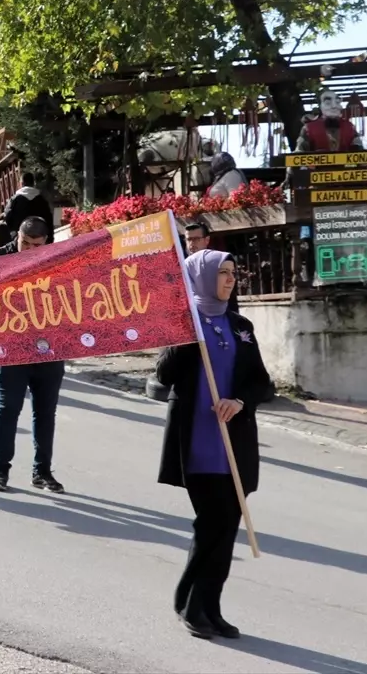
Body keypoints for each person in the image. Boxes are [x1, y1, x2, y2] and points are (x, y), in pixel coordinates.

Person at [155, 250, 270, 640]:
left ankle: (208, 606)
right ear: (202, 278)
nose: (230, 279)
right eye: (222, 273)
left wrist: (240, 401)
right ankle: (193, 607)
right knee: (212, 524)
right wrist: (186, 334)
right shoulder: (184, 322)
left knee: (225, 527)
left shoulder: (241, 325)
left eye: (233, 272)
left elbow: (261, 382)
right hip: (199, 441)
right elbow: (165, 374)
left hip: (233, 442)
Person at [0, 217, 66, 494]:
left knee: (45, 413)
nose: (29, 249)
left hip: (49, 350)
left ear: (46, 243)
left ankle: (42, 471)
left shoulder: (58, 262)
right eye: (24, 243)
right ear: (16, 236)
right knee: (7, 410)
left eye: (36, 245)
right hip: (9, 350)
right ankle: (0, 469)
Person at [3, 173, 54, 243]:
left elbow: (7, 218)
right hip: (40, 239)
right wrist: (50, 238)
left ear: (21, 183)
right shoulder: (42, 200)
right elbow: (49, 219)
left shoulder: (14, 200)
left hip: (21, 240)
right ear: (33, 183)